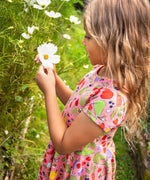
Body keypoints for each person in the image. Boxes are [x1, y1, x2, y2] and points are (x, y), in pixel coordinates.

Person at [34, 0, 150, 179]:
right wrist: (55, 80)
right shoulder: (101, 71)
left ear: (112, 41)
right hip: (70, 161)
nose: (82, 41)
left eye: (88, 37)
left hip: (80, 169)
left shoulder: (113, 99)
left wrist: (48, 91)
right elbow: (79, 105)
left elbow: (63, 144)